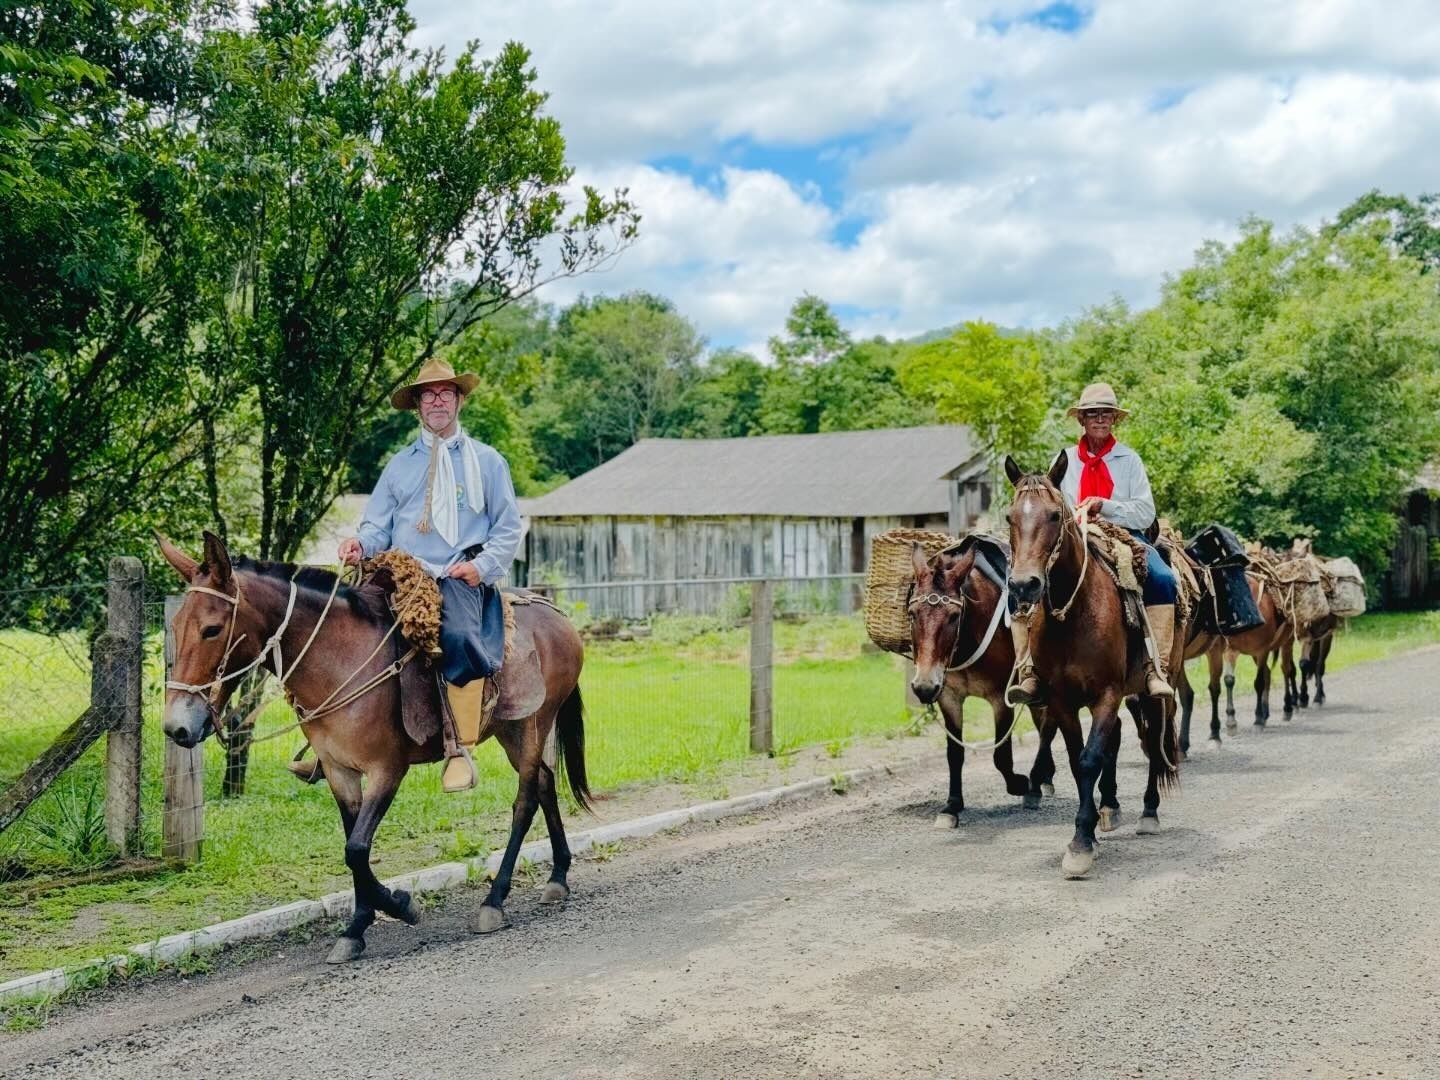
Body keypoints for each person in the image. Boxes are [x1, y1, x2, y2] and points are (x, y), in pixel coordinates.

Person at [334, 358, 523, 792]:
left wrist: (481, 567)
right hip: (401, 571)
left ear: (459, 400)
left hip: (458, 571)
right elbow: (378, 525)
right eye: (428, 395)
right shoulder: (398, 465)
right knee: (349, 627)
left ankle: (458, 747)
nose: (437, 401)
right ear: (417, 406)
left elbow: (508, 526)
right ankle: (335, 741)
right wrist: (361, 544)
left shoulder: (489, 462)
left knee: (457, 636)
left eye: (445, 393)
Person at [1008, 382, 1178, 705]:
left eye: (1106, 414)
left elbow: (1145, 511)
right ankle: (1028, 670)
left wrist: (1106, 505)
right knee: (1019, 580)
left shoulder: (1130, 460)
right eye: (1092, 414)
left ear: (1114, 419)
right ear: (1081, 420)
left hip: (1125, 536)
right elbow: (1049, 507)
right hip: (1074, 540)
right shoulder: (1064, 461)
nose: (1099, 419)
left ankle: (1157, 668)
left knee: (1163, 579)